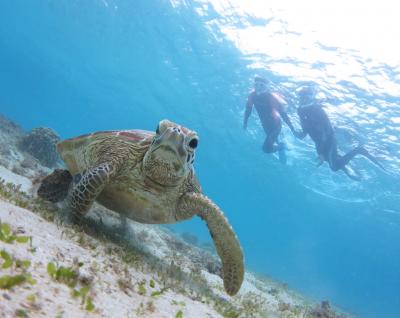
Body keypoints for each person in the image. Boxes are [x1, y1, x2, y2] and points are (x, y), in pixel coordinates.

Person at [295, 85, 384, 180]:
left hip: (328, 140)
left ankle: (359, 150)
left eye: (307, 97)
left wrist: (321, 152)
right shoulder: (300, 111)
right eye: (302, 97)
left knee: (334, 167)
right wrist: (300, 134)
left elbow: (325, 131)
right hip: (319, 142)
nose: (304, 99)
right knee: (328, 160)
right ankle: (344, 166)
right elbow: (306, 130)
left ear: (311, 98)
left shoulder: (317, 110)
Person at [243, 76, 297, 162]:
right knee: (273, 140)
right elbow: (248, 110)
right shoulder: (252, 96)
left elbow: (284, 115)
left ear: (267, 87)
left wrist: (293, 129)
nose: (258, 87)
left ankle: (282, 146)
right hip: (265, 126)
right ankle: (281, 145)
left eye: (261, 85)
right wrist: (245, 122)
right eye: (256, 85)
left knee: (266, 149)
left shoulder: (271, 98)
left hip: (276, 126)